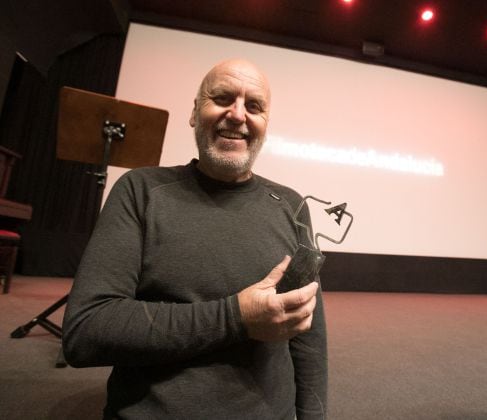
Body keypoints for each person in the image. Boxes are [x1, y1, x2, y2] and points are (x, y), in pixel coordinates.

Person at [62, 59, 328, 420]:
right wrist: (236, 318)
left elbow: (307, 335)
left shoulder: (292, 206)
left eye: (254, 106)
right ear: (194, 112)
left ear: (266, 124)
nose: (237, 115)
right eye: (222, 98)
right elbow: (87, 330)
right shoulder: (140, 191)